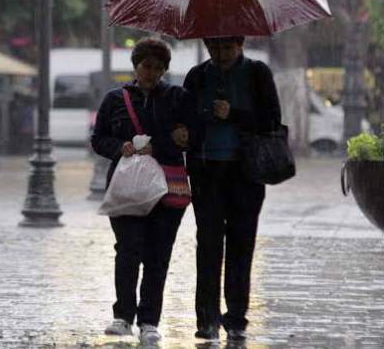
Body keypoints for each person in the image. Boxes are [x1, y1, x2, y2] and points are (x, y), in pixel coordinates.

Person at [173, 35, 281, 342]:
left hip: (245, 174)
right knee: (207, 246)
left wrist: (232, 113)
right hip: (206, 171)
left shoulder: (257, 73)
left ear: (240, 44)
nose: (220, 54)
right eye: (214, 48)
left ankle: (236, 320)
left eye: (227, 48)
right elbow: (185, 116)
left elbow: (271, 120)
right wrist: (185, 129)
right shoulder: (198, 76)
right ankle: (207, 319)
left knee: (241, 245)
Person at [91, 38, 191, 344]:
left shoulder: (176, 98)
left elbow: (187, 136)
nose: (152, 73)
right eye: (147, 66)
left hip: (165, 189)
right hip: (125, 189)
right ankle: (123, 316)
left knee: (158, 255)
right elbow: (98, 138)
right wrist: (118, 147)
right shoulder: (114, 99)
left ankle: (150, 320)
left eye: (159, 68)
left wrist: (161, 144)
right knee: (128, 249)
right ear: (136, 66)